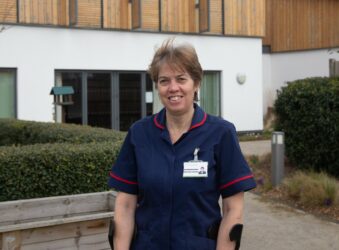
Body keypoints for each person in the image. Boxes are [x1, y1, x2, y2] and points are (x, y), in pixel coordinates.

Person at [108, 39, 256, 250]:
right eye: (164, 80)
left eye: (181, 79)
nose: (173, 88)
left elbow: (233, 210)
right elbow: (125, 205)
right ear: (157, 86)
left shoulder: (221, 133)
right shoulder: (139, 134)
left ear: (196, 83)